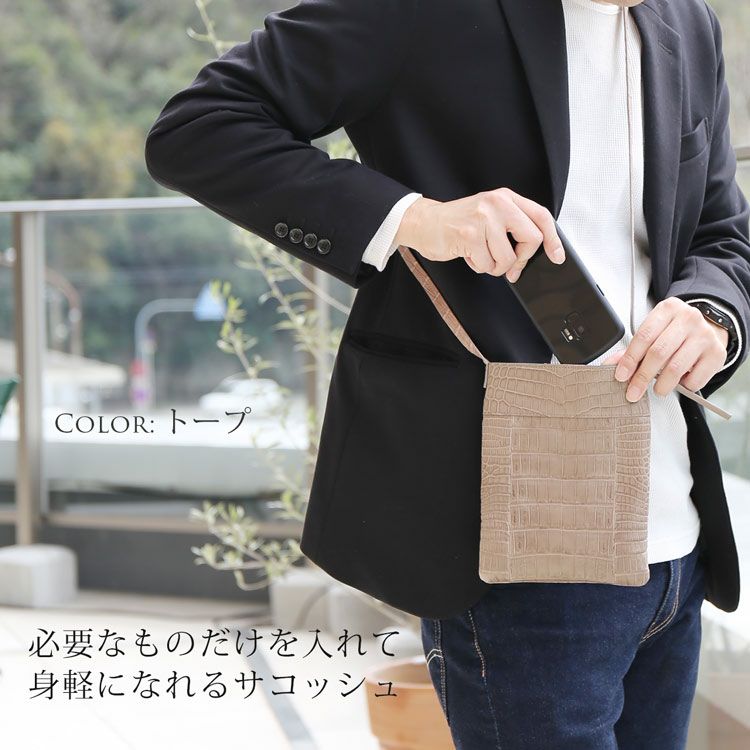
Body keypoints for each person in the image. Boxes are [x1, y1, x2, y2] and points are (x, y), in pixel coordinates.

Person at [144, 0, 750, 746]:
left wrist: (714, 314)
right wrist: (415, 218)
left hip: (677, 537)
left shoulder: (687, 22)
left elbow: (722, 229)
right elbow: (198, 128)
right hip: (514, 536)